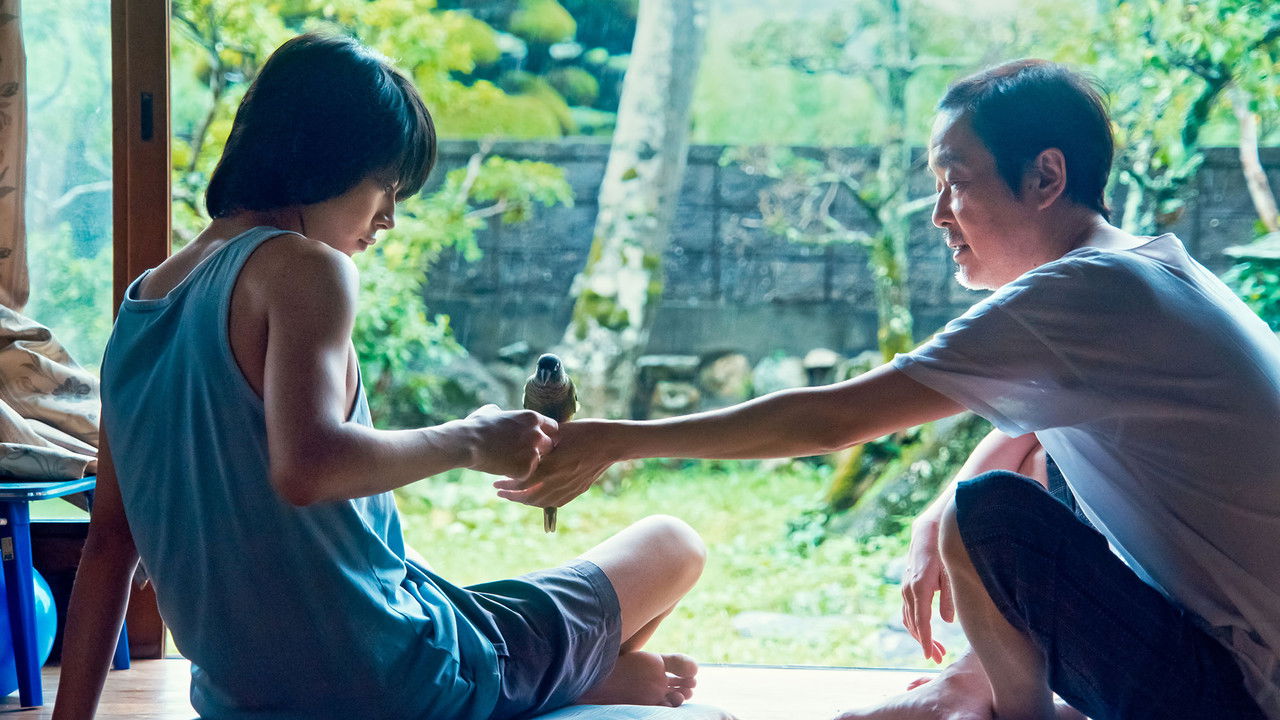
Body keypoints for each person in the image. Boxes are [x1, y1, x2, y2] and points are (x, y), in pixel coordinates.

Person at [511, 59, 1280, 720]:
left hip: (1241, 695)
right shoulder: (1143, 272)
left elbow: (832, 418)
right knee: (997, 484)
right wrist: (940, 507)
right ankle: (966, 685)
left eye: (957, 183)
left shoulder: (1085, 293)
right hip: (1240, 666)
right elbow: (1032, 424)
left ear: (1046, 176)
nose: (940, 215)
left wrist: (617, 441)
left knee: (990, 516)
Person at [52, 33, 703, 720]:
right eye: (385, 185)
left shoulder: (141, 306)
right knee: (672, 544)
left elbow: (108, 544)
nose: (389, 217)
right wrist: (472, 440)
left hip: (239, 700)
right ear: (324, 158)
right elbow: (307, 468)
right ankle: (572, 681)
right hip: (398, 682)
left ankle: (568, 676)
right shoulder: (306, 268)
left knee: (446, 591)